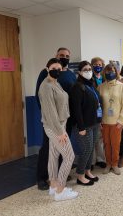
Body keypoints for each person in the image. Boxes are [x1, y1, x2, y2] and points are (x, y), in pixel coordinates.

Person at [35, 47, 76, 190]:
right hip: (54, 123)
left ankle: (53, 182)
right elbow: (45, 103)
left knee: (54, 154)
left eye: (66, 56)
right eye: (61, 55)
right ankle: (56, 186)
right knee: (67, 155)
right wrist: (56, 127)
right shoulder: (46, 81)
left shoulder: (60, 79)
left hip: (63, 121)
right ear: (48, 68)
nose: (64, 57)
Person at [70, 61, 102, 186]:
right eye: (85, 69)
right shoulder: (77, 87)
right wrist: (81, 127)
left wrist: (99, 121)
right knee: (86, 150)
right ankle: (80, 175)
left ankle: (87, 171)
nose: (88, 71)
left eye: (90, 69)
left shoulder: (91, 84)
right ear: (79, 72)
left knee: (91, 149)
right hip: (84, 126)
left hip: (94, 123)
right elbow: (76, 109)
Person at [98, 63, 123, 175]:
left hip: (117, 122)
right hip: (104, 122)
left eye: (112, 71)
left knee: (115, 144)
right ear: (104, 73)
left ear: (116, 72)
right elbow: (98, 106)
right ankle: (108, 164)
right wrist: (99, 121)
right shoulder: (101, 87)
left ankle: (114, 164)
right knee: (106, 144)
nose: (110, 73)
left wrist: (121, 120)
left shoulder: (121, 86)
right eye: (108, 71)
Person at [91, 57, 106, 169]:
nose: (98, 66)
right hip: (92, 110)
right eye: (96, 64)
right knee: (92, 137)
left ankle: (100, 159)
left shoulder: (105, 78)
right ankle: (91, 162)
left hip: (103, 108)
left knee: (100, 137)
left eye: (100, 64)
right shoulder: (89, 78)